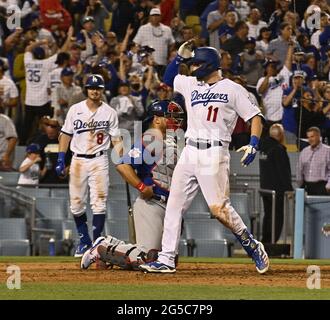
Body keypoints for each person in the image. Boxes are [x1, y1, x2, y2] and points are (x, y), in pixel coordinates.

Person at [139, 42, 270, 274]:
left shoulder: (232, 88)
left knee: (219, 209)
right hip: (190, 150)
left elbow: (255, 117)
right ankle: (166, 258)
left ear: (210, 64)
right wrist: (179, 57)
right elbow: (169, 79)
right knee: (174, 206)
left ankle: (250, 244)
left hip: (214, 152)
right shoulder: (191, 84)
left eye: (197, 62)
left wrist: (253, 143)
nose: (194, 67)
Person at [80, 99, 184, 270]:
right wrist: (142, 187)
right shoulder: (150, 138)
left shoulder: (173, 142)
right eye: (170, 116)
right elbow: (122, 165)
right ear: (156, 119)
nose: (175, 120)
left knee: (166, 259)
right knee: (146, 257)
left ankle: (111, 246)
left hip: (171, 206)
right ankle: (100, 248)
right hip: (152, 203)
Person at [56, 74, 122, 257]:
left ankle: (96, 242)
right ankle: (84, 241)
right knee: (76, 204)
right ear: (86, 89)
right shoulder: (75, 109)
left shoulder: (109, 112)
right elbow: (65, 135)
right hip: (78, 160)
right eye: (92, 88)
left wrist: (123, 158)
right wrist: (61, 158)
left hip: (99, 159)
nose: (95, 91)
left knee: (99, 203)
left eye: (98, 88)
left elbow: (116, 139)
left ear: (102, 90)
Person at [259, 124, 293, 243]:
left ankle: (265, 241)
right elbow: (283, 171)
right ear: (281, 135)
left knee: (268, 215)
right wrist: (289, 189)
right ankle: (272, 243)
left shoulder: (263, 147)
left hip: (265, 189)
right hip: (277, 190)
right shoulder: (278, 149)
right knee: (277, 217)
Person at [296, 126, 330, 195]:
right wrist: (300, 186)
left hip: (322, 187)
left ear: (319, 136)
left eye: (312, 136)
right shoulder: (304, 151)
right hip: (307, 187)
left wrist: (328, 186)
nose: (310, 139)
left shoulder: (327, 150)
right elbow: (299, 169)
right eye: (308, 137)